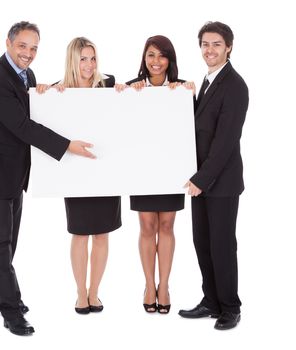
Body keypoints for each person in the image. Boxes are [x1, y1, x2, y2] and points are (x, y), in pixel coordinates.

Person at [0, 22, 95, 336]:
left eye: (34, 48)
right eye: (23, 46)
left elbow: (33, 110)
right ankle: (11, 311)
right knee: (0, 243)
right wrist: (67, 145)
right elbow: (23, 126)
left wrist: (49, 93)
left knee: (1, 241)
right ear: (9, 43)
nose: (29, 53)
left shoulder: (26, 75)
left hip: (14, 172)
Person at [37, 37, 121, 314]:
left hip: (105, 169)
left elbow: (126, 113)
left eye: (93, 58)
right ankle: (80, 293)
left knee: (102, 234)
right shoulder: (60, 89)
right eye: (83, 58)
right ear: (73, 61)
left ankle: (95, 293)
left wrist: (125, 91)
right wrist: (42, 93)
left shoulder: (108, 84)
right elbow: (43, 112)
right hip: (77, 174)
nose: (89, 64)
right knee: (80, 233)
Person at [116, 35, 195, 314]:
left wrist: (187, 93)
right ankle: (149, 284)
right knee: (147, 227)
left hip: (171, 167)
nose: (156, 62)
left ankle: (165, 285)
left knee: (167, 227)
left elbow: (191, 128)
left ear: (170, 60)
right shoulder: (131, 87)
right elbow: (115, 122)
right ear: (144, 58)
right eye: (151, 55)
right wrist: (123, 92)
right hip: (142, 170)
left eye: (162, 56)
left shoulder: (182, 89)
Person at [178, 21, 249, 330]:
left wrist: (200, 180)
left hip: (220, 183)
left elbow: (224, 141)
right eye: (205, 44)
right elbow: (201, 127)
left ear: (228, 47)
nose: (210, 49)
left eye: (216, 44)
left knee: (221, 244)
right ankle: (211, 301)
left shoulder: (235, 85)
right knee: (202, 242)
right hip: (202, 181)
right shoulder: (207, 81)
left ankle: (230, 307)